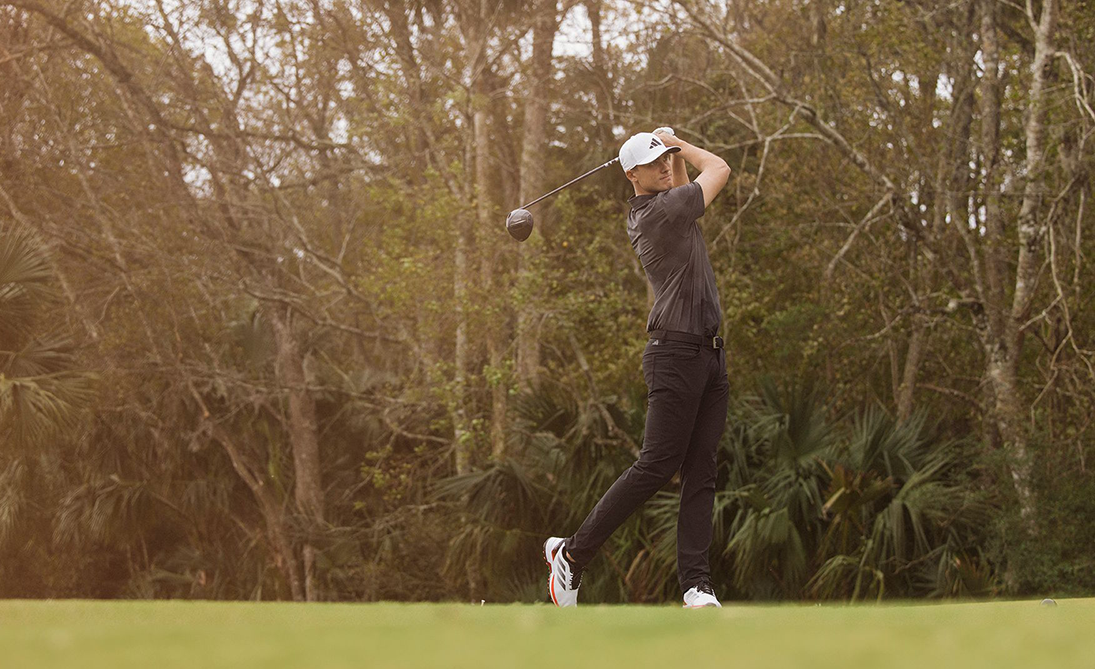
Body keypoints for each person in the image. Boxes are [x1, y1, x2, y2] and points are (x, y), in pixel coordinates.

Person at [544, 129, 731, 608]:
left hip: (709, 354)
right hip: (675, 355)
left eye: (666, 159)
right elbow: (721, 169)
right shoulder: (659, 214)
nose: (666, 167)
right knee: (656, 465)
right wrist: (681, 141)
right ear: (632, 175)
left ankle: (696, 585)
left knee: (701, 471)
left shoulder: (673, 204)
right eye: (655, 163)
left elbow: (687, 183)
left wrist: (670, 149)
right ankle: (572, 555)